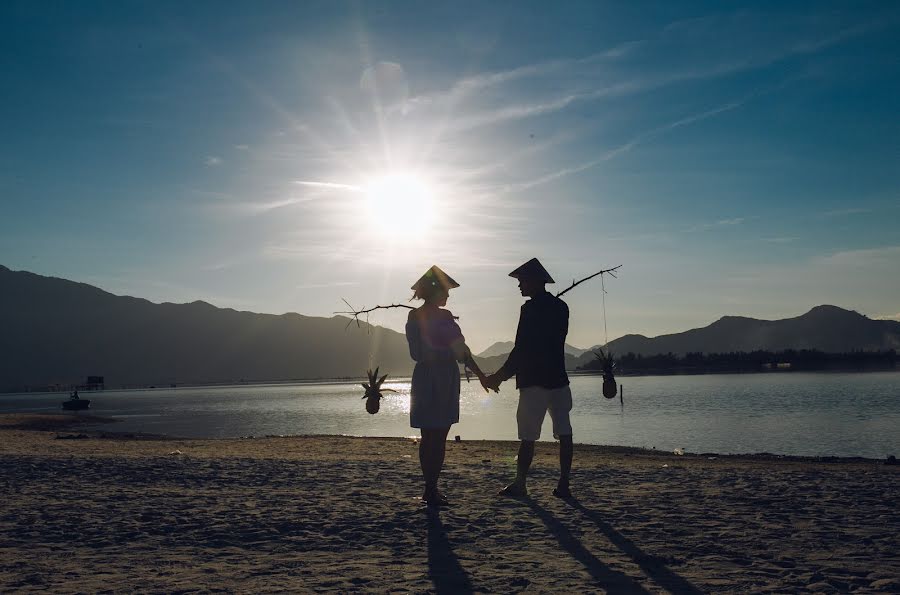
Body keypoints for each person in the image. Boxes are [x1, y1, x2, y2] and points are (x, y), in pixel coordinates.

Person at [484, 258, 573, 498]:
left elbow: (522, 348)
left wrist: (499, 377)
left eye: (522, 281)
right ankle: (564, 484)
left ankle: (520, 484)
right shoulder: (561, 307)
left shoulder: (529, 309)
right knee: (564, 432)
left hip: (534, 381)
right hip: (558, 378)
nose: (519, 286)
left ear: (535, 281)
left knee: (528, 436)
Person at [406, 265, 490, 506]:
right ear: (434, 291)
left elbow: (417, 351)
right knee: (439, 435)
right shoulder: (443, 316)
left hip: (423, 376)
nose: (448, 295)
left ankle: (429, 488)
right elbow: (460, 351)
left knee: (427, 435)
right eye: (445, 290)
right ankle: (431, 488)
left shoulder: (413, 316)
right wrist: (481, 374)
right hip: (442, 376)